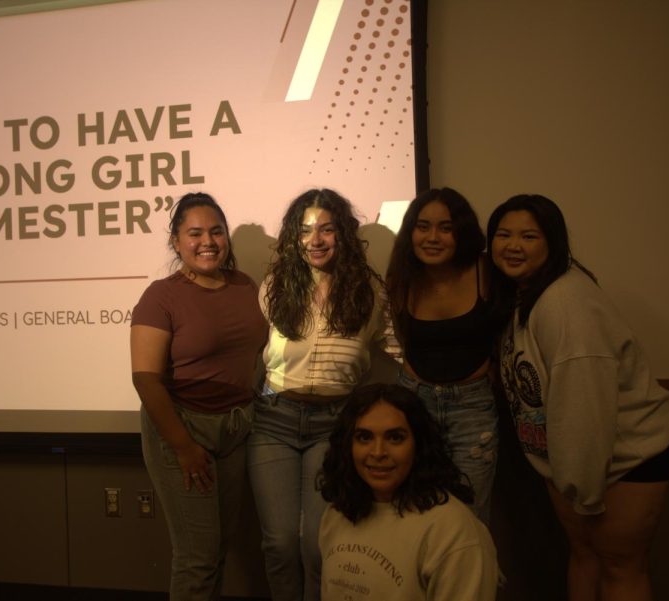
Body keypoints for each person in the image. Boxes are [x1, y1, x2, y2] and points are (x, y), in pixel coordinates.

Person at [487, 194, 669, 601]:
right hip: (573, 464)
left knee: (619, 565)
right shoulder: (525, 297)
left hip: (627, 455)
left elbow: (583, 407)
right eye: (503, 235)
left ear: (552, 242)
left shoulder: (565, 301)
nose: (513, 245)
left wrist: (583, 490)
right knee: (585, 557)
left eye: (528, 236)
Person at [247, 188, 398, 601]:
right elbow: (248, 348)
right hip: (274, 420)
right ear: (294, 238)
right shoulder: (276, 286)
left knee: (318, 545)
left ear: (343, 234)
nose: (315, 240)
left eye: (326, 229)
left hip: (334, 424)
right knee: (279, 543)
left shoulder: (369, 292)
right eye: (305, 230)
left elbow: (400, 350)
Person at [130, 192, 267, 601]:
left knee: (218, 549)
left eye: (216, 231)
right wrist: (184, 447)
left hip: (236, 429)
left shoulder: (246, 287)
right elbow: (146, 380)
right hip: (182, 430)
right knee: (197, 557)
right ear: (176, 241)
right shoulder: (161, 296)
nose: (207, 241)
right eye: (194, 233)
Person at [318, 383, 499, 601]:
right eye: (364, 437)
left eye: (395, 438)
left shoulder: (453, 530)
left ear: (419, 445)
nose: (378, 452)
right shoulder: (337, 513)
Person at [385, 187, 499, 522]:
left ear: (461, 232)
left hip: (473, 408)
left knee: (470, 517)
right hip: (413, 403)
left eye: (445, 228)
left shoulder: (485, 271)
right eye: (423, 226)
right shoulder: (401, 278)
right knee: (413, 512)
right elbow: (398, 341)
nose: (432, 237)